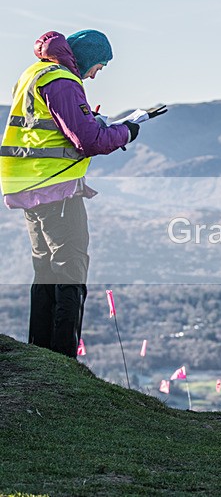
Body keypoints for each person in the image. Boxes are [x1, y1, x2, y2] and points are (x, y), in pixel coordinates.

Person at [0, 30, 146, 358]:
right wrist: (127, 131)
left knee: (46, 272)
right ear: (86, 57)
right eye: (98, 66)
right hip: (56, 189)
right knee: (71, 271)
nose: (95, 74)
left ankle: (40, 354)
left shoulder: (34, 73)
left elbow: (50, 128)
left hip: (29, 187)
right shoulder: (64, 81)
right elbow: (89, 141)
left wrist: (88, 118)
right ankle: (64, 358)